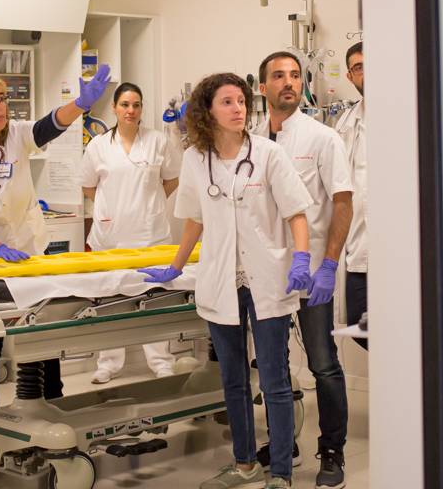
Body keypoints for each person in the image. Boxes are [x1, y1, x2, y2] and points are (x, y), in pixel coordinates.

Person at [139, 73, 313, 489]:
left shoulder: (269, 154)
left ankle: (282, 473)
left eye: (241, 101)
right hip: (221, 279)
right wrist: (176, 266)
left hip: (267, 278)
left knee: (273, 379)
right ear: (208, 111)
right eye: (228, 102)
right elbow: (194, 220)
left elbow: (296, 213)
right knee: (231, 379)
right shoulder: (196, 159)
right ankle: (245, 463)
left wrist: (303, 257)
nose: (238, 109)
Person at [0, 66, 112, 406]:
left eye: (2, 98)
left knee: (42, 329)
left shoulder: (16, 135)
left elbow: (49, 125)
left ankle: (53, 402)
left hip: (31, 248)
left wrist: (80, 103)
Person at [253, 51, 354, 489]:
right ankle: (282, 443)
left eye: (295, 76)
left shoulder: (322, 138)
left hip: (311, 270)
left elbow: (344, 205)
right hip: (265, 274)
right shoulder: (250, 139)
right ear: (262, 87)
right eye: (279, 76)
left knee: (323, 364)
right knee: (273, 369)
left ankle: (332, 451)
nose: (288, 83)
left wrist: (328, 266)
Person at [81, 81, 182, 384]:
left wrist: (148, 206)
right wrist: (112, 210)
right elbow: (88, 187)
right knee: (110, 300)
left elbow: (171, 180)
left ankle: (161, 361)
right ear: (114, 108)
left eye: (136, 104)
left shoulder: (156, 141)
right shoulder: (98, 146)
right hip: (109, 236)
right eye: (125, 104)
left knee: (154, 298)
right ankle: (108, 364)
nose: (131, 110)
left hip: (150, 234)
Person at [334, 42, 368, 352]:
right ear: (350, 76)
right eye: (359, 67)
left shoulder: (412, 112)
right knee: (361, 329)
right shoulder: (344, 125)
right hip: (359, 249)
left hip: (404, 250)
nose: (367, 71)